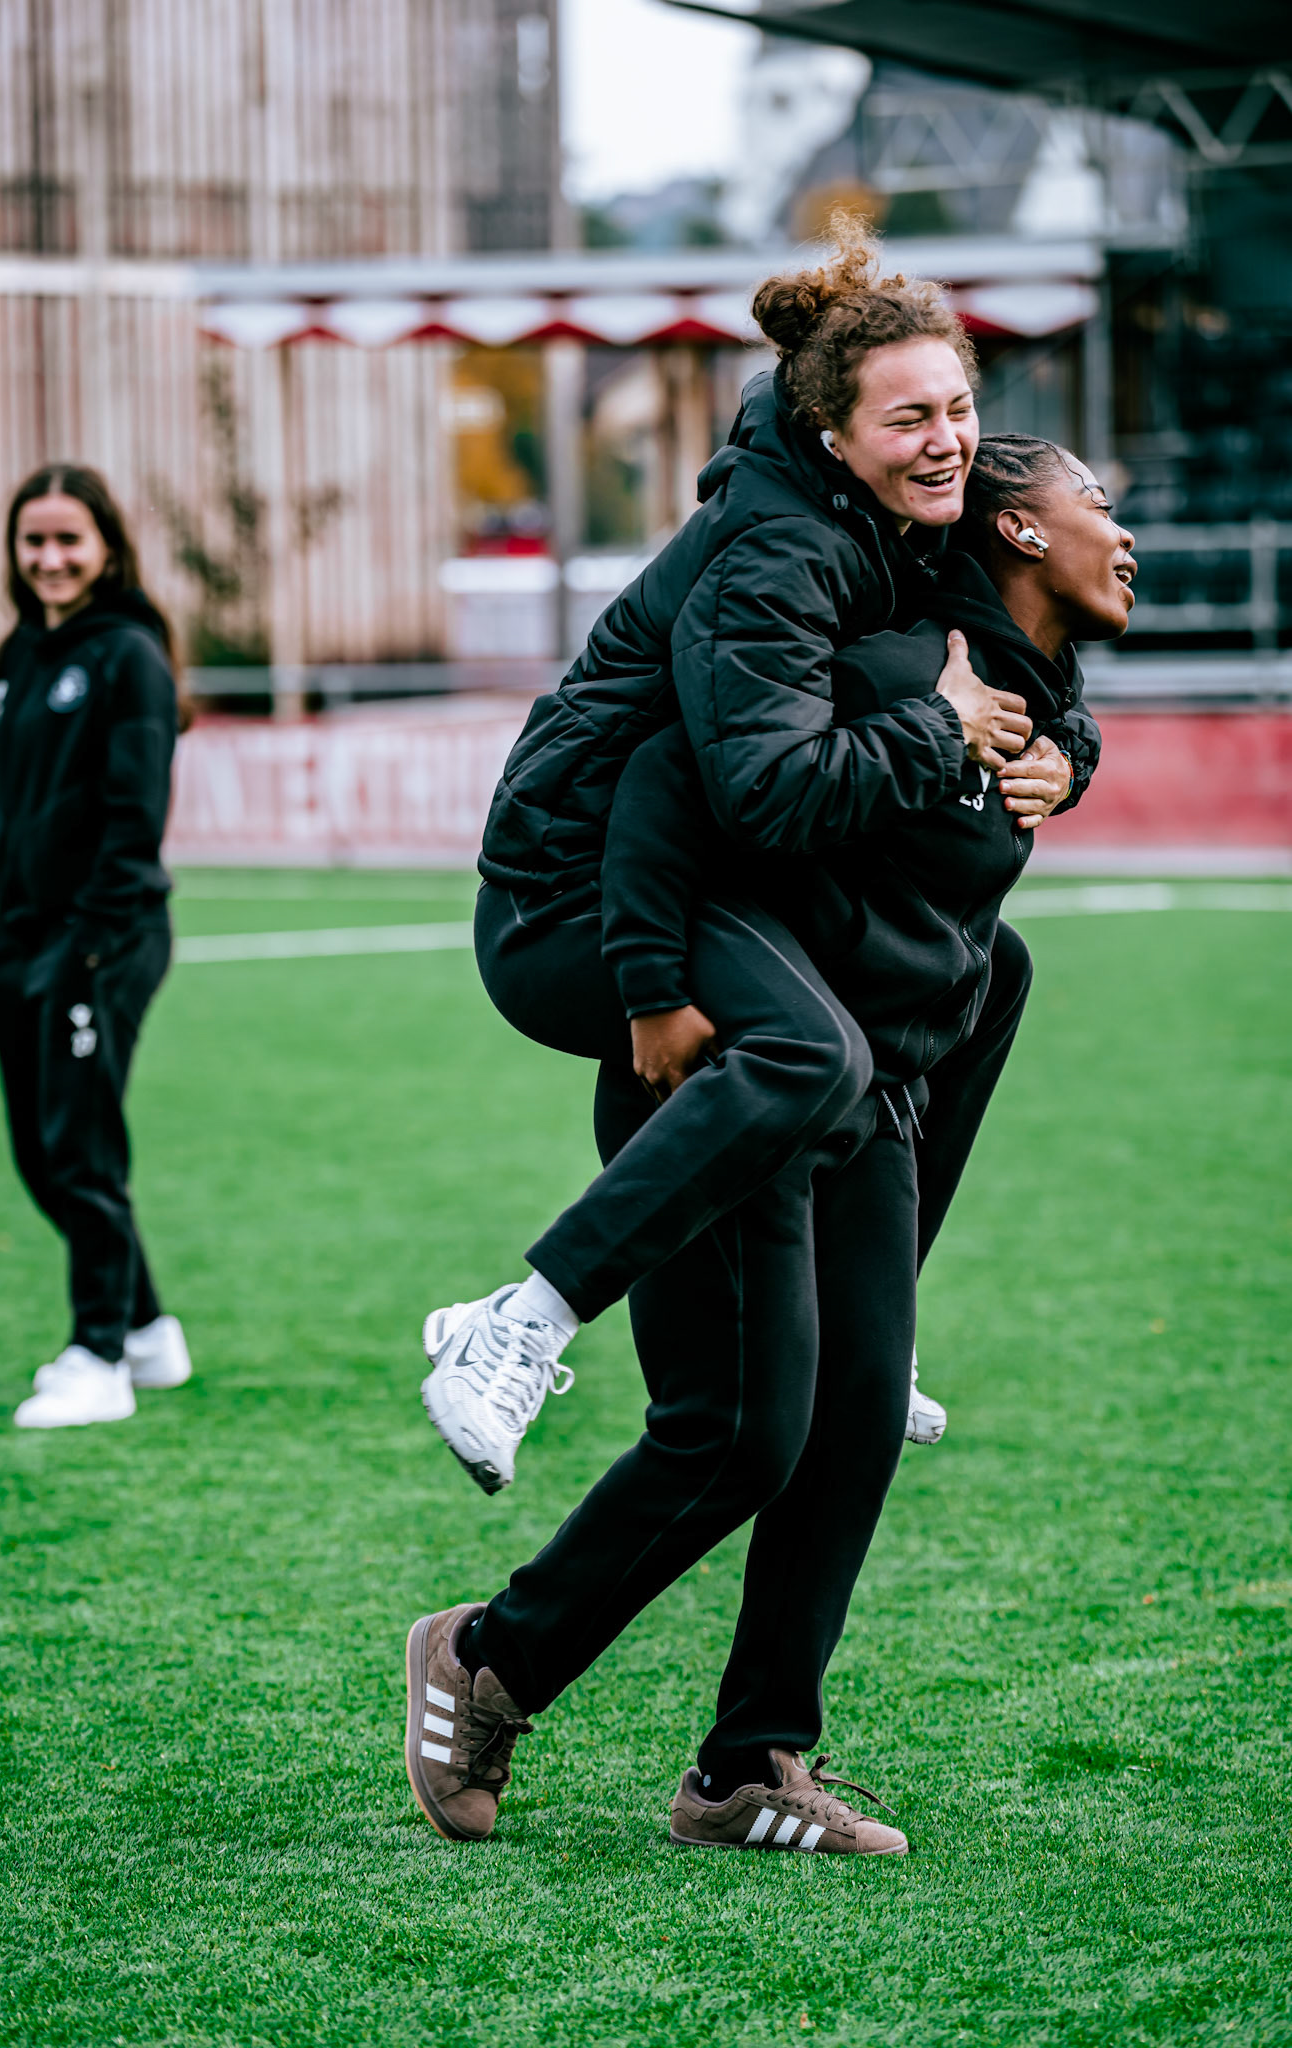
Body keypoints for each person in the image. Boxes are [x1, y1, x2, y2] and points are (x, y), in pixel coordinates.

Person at [403, 434, 1136, 1859]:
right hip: (723, 1067)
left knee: (853, 1417)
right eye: (1096, 500)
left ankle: (749, 1768)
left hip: (848, 1088)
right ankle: (484, 1662)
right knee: (739, 1432)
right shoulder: (895, 653)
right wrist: (652, 997)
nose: (1126, 531)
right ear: (1021, 532)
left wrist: (1065, 755)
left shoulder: (1034, 697)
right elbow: (674, 785)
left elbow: (968, 952)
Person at [420, 220, 1098, 1493]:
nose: (945, 439)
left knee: (988, 971)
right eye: (908, 420)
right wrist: (650, 984)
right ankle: (518, 1320)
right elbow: (758, 788)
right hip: (573, 894)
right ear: (835, 435)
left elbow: (1005, 649)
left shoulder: (899, 523)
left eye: (956, 406)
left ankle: (873, 1329)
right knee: (813, 1051)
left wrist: (1065, 753)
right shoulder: (776, 549)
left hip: (696, 877)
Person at [0, 465, 192, 1429]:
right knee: (39, 1150)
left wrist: (91, 944)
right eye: (35, 542)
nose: (51, 559)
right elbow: (2, 809)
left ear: (106, 545)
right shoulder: (16, 655)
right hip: (13, 938)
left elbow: (133, 815)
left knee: (79, 1146)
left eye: (69, 539)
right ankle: (146, 1331)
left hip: (100, 940)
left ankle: (98, 1355)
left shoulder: (128, 656)